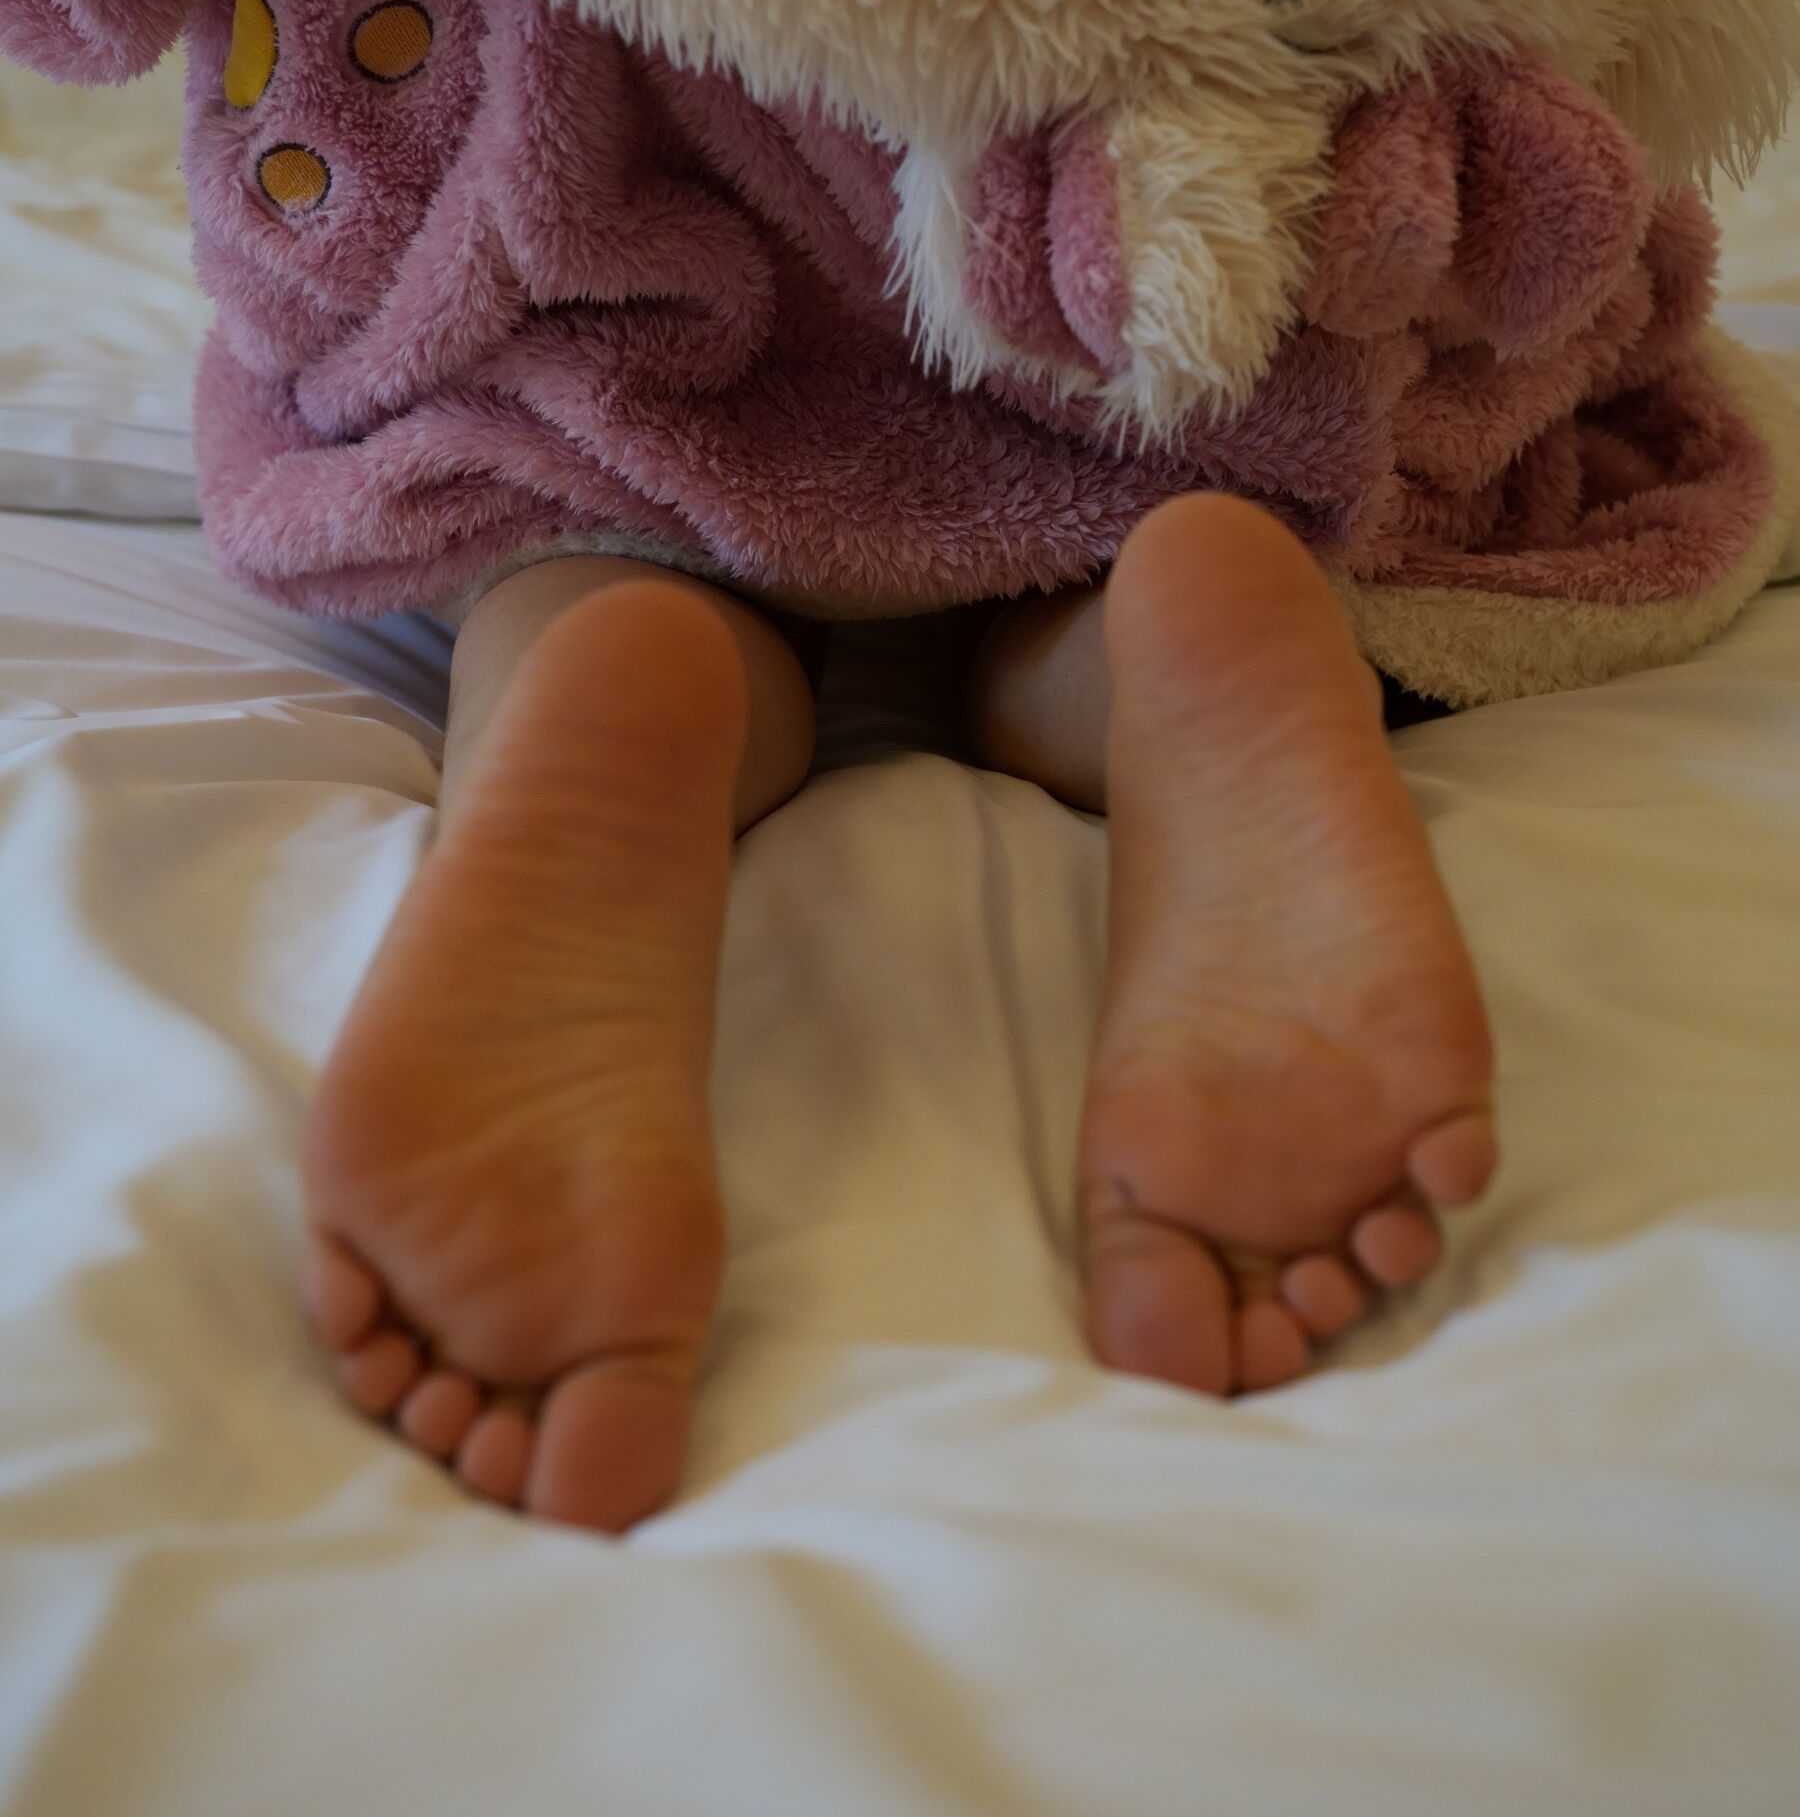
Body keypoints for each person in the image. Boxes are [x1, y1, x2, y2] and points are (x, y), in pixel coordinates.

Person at [303, 500, 1495, 1535]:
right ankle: (1172, 650)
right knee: (1094, 527)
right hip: (1099, 364)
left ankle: (588, 690)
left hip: (703, 366)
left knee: (595, 536)